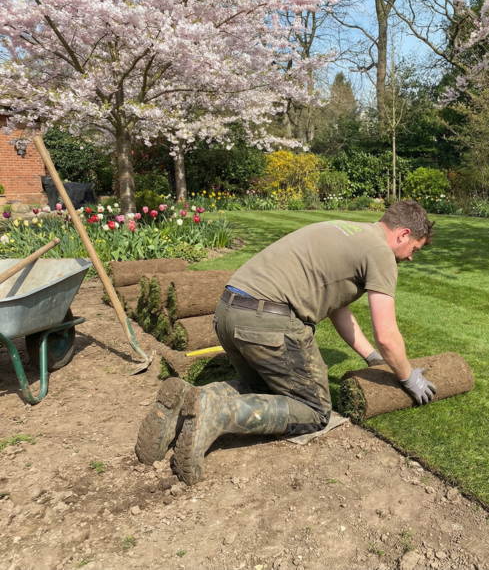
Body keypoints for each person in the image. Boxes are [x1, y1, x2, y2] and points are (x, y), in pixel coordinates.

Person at [135, 200, 437, 485]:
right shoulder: (380, 252)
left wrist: (372, 358)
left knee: (269, 391)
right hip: (267, 322)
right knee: (313, 410)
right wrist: (408, 377)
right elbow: (387, 334)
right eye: (415, 249)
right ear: (403, 234)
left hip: (227, 312)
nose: (411, 257)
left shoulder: (347, 230)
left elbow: (338, 310)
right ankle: (217, 415)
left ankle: (188, 399)